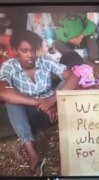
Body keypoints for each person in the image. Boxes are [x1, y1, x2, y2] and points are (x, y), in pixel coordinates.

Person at [0, 30, 79, 176]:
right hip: (27, 115)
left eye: (32, 50)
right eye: (24, 51)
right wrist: (40, 103)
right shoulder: (9, 66)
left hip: (52, 109)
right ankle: (33, 154)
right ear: (16, 50)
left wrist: (52, 100)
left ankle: (73, 148)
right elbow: (3, 93)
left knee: (67, 84)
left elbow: (74, 77)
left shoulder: (45, 60)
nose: (30, 55)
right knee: (11, 101)